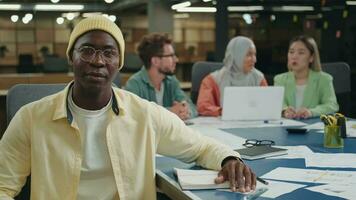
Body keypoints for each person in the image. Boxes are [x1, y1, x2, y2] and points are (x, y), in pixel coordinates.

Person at [0, 16, 256, 200]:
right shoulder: (31, 118)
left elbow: (200, 147)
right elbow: (3, 186)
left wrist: (229, 158)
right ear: (71, 57)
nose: (98, 61)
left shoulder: (145, 115)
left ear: (119, 62)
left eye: (108, 53)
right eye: (87, 51)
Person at [125, 33, 197, 120]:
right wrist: (169, 112)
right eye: (171, 56)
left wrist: (185, 111)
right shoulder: (135, 84)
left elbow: (192, 107)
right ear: (155, 61)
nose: (176, 59)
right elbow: (131, 115)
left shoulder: (171, 81)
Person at [197, 36, 268, 116]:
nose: (254, 60)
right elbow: (203, 107)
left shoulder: (259, 78)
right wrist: (223, 112)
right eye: (249, 55)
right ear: (236, 56)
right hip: (220, 126)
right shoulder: (212, 80)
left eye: (254, 55)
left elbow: (268, 105)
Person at [274, 35, 339, 119]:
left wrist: (311, 112)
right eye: (291, 52)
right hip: (287, 128)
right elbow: (278, 103)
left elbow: (332, 105)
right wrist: (285, 110)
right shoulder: (280, 79)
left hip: (313, 127)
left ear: (311, 57)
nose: (294, 56)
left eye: (301, 53)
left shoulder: (324, 79)